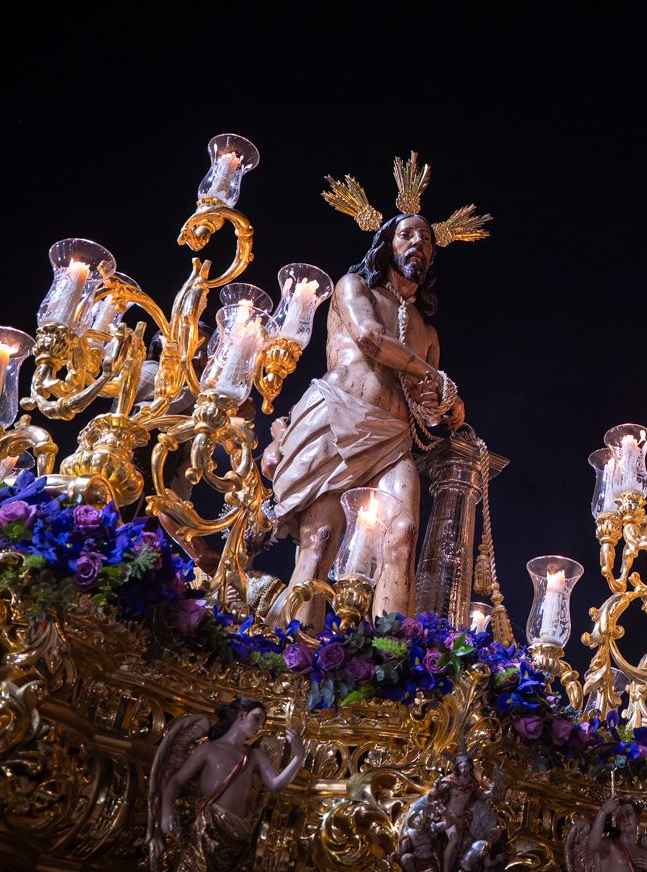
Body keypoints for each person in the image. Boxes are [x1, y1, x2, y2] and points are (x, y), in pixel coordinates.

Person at [267, 213, 465, 622]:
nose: (418, 244)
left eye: (426, 240)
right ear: (386, 245)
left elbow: (422, 410)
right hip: (339, 419)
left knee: (403, 535)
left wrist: (445, 405)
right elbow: (370, 338)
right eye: (406, 235)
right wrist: (433, 376)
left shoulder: (428, 335)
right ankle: (294, 656)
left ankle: (389, 664)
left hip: (393, 438)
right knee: (320, 539)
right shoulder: (354, 287)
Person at [153, 698, 303, 871]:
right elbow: (177, 780)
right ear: (241, 715)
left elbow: (276, 785)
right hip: (207, 827)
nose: (259, 727)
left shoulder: (256, 756)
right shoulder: (209, 749)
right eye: (257, 718)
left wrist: (299, 756)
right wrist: (167, 807)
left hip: (237, 834)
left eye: (262, 722)